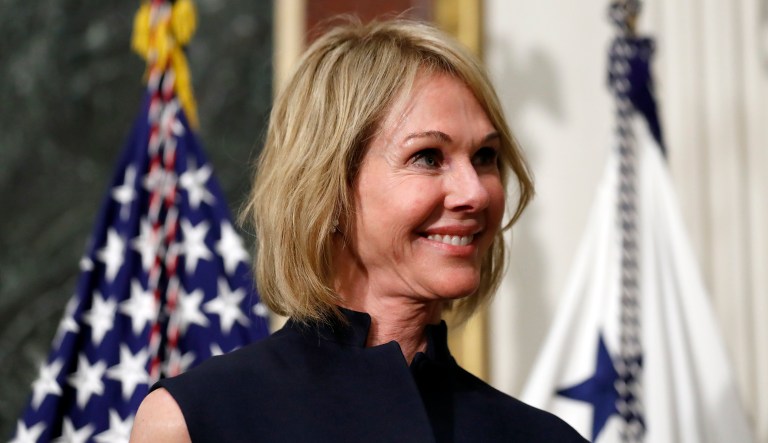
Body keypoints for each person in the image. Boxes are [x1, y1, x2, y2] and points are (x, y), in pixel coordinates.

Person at [130, 18, 587, 443]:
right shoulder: (195, 421)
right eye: (428, 156)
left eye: (485, 157)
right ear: (328, 188)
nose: (475, 193)